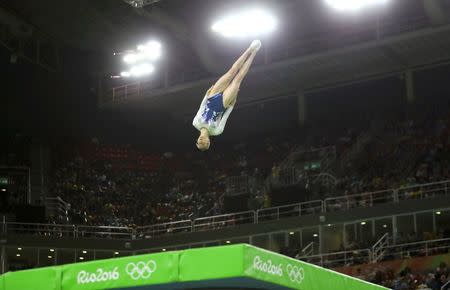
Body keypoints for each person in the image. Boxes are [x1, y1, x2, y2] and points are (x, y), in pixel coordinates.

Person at [193, 40, 262, 151]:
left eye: (199, 142)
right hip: (223, 103)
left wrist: (206, 95)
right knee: (238, 79)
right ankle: (254, 52)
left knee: (231, 72)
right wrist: (232, 104)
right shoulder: (216, 131)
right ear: (208, 142)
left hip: (211, 97)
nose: (201, 141)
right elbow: (225, 116)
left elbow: (201, 108)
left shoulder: (195, 123)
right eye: (204, 143)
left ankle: (249, 49)